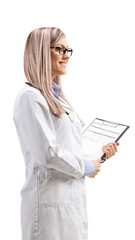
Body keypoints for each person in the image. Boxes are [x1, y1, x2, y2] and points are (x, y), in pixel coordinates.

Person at [13, 27, 119, 240]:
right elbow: (48, 153)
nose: (66, 55)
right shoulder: (30, 97)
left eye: (68, 49)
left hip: (68, 200)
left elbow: (67, 146)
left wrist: (98, 155)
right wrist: (86, 166)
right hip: (47, 205)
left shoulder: (57, 97)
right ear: (41, 51)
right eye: (59, 49)